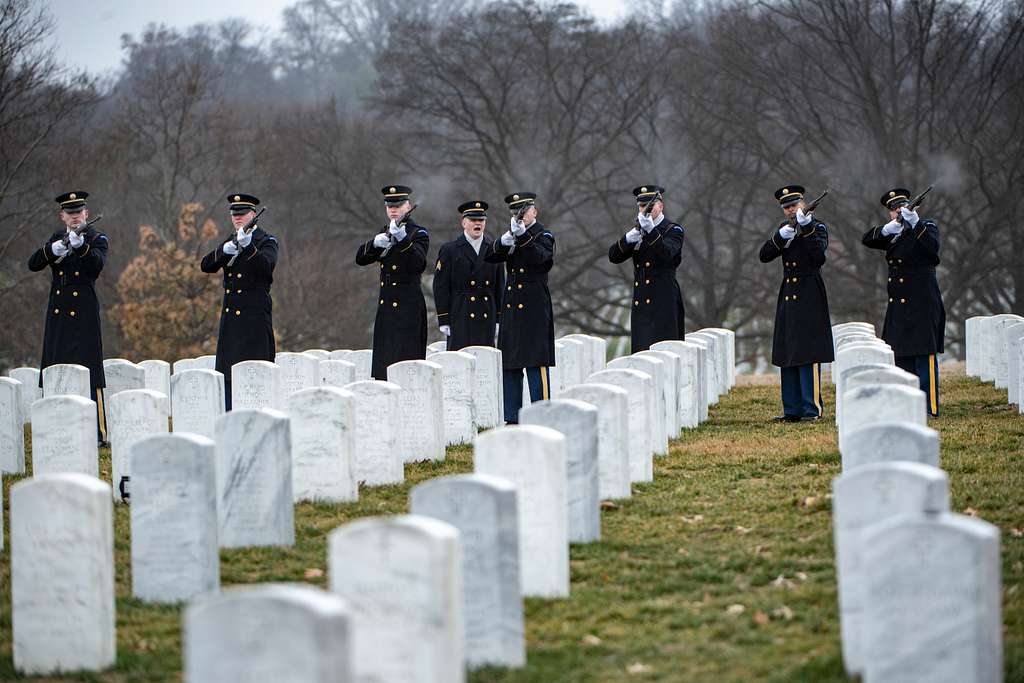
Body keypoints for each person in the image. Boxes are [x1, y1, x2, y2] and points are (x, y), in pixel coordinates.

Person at [28, 191, 110, 442]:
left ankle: (98, 432)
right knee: (55, 367)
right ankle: (55, 427)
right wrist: (53, 250)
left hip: (83, 312)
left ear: (86, 213)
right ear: (62, 216)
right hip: (59, 312)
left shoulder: (97, 238)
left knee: (90, 371)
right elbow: (33, 264)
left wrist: (81, 248)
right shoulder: (56, 238)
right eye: (70, 213)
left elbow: (96, 266)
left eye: (79, 212)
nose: (75, 217)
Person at [861, 187, 945, 416]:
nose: (897, 210)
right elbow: (867, 239)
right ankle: (906, 404)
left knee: (923, 353)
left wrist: (915, 222)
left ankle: (929, 406)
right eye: (893, 209)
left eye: (901, 206)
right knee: (901, 354)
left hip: (922, 301)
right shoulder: (894, 233)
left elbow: (932, 252)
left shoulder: (926, 227)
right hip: (898, 303)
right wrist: (890, 228)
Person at [758, 185, 834, 422]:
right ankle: (791, 409)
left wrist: (807, 227)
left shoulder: (817, 227)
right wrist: (781, 238)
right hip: (789, 293)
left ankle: (811, 409)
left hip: (809, 291)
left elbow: (818, 256)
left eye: (794, 205)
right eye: (787, 207)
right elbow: (764, 255)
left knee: (807, 351)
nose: (791, 210)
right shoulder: (785, 229)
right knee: (788, 350)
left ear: (803, 204)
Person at [200, 193, 278, 410]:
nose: (237, 218)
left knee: (256, 376)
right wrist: (224, 251)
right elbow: (206, 265)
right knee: (228, 377)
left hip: (254, 320)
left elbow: (266, 268)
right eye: (234, 215)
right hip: (231, 322)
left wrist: (250, 247)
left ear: (254, 214)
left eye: (242, 214)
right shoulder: (230, 240)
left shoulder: (266, 242)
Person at [484, 192, 555, 423]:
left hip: (534, 307)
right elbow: (489, 256)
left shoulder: (543, 235)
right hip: (512, 306)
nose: (520, 216)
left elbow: (542, 261)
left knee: (536, 363)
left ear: (534, 211)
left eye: (524, 211)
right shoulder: (513, 235)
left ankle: (542, 414)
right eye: (516, 212)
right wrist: (504, 241)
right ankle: (512, 416)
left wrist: (523, 237)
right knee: (511, 364)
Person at [355, 184, 429, 379]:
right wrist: (374, 244)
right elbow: (360, 259)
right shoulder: (384, 230)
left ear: (408, 206)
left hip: (409, 305)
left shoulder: (418, 233)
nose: (393, 210)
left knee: (407, 363)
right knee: (384, 365)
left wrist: (402, 239)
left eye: (398, 205)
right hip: (386, 305)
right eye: (390, 206)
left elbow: (418, 263)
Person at [608, 184, 685, 351]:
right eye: (642, 206)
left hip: (664, 299)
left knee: (665, 351)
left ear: (661, 205)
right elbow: (613, 257)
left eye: (651, 205)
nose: (647, 210)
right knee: (642, 352)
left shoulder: (673, 230)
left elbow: (667, 255)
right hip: (641, 300)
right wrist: (628, 239)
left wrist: (651, 231)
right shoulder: (639, 230)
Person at [432, 200, 504, 350]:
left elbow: (500, 288)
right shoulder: (450, 250)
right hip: (460, 314)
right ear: (464, 223)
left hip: (486, 313)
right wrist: (443, 318)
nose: (477, 223)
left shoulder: (494, 249)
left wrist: (498, 318)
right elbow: (441, 286)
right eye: (473, 220)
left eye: (481, 220)